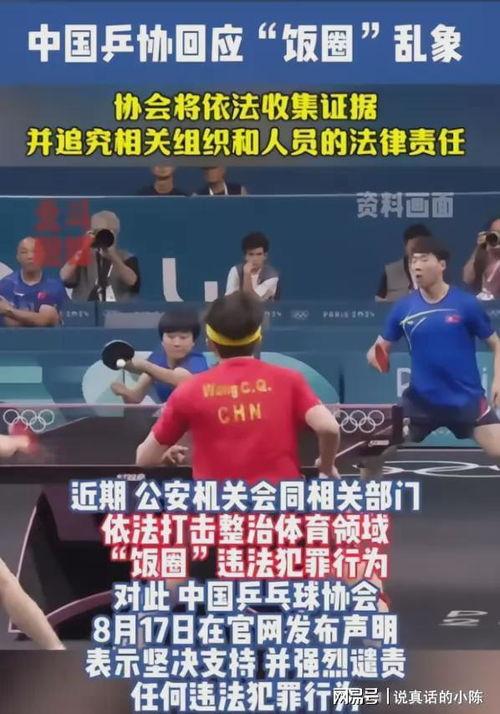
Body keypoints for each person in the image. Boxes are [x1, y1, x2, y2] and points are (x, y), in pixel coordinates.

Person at [136, 292, 340, 482]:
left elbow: (144, 459)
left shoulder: (189, 390)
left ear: (210, 343)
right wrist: (326, 466)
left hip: (217, 506)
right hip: (278, 504)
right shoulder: (290, 380)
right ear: (258, 339)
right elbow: (328, 427)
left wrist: (164, 457)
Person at [367, 235, 500, 474]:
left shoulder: (466, 304)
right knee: (371, 454)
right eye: (413, 261)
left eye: (423, 259)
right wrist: (375, 357)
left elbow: (496, 344)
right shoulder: (403, 308)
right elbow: (379, 348)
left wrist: (498, 380)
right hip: (420, 403)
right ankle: (367, 496)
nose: (416, 266)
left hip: (466, 401)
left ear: (441, 265)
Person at [111, 308, 209, 404]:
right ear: (162, 340)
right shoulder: (158, 358)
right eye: (171, 337)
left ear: (193, 342)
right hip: (168, 413)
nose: (177, 343)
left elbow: (180, 379)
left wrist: (144, 365)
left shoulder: (197, 360)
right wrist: (124, 392)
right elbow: (135, 398)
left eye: (183, 338)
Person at [59, 210, 140, 302]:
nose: (101, 236)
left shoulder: (126, 257)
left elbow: (132, 281)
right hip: (86, 308)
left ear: (116, 233)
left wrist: (113, 256)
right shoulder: (81, 257)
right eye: (96, 231)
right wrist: (82, 249)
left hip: (116, 309)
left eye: (107, 232)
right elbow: (64, 277)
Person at [0, 237, 66, 327]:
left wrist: (10, 311)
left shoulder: (55, 287)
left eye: (35, 252)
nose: (30, 256)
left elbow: (45, 320)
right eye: (24, 252)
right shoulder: (5, 285)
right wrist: (34, 318)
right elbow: (9, 323)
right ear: (17, 257)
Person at [375, 224, 432, 303]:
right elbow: (379, 302)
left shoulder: (437, 270)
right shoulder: (391, 272)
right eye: (413, 248)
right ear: (406, 246)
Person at [225, 232, 280, 302]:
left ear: (265, 256)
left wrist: (247, 274)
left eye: (259, 254)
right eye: (251, 254)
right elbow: (229, 299)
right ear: (245, 256)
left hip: (263, 308)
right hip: (238, 308)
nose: (255, 259)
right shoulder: (235, 270)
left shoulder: (272, 276)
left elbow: (251, 301)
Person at [463, 217, 500, 300]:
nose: (498, 238)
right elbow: (467, 279)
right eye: (495, 233)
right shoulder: (483, 254)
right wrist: (479, 248)